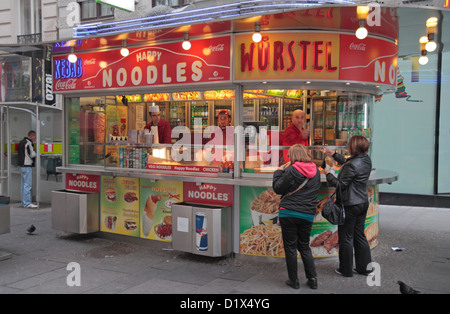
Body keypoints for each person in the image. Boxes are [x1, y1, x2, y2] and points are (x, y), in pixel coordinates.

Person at [272, 144, 320, 289]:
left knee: (291, 247)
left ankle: (294, 281)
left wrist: (278, 172)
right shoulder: (316, 171)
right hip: (307, 214)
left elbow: (277, 188)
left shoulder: (291, 170)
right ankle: (312, 279)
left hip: (289, 212)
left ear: (292, 156)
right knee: (304, 246)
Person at [324, 135, 373, 277]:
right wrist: (334, 155)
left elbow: (340, 185)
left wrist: (328, 174)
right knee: (359, 235)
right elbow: (349, 163)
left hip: (350, 205)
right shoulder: (366, 160)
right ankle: (365, 268)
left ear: (353, 147)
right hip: (362, 203)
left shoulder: (351, 165)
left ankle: (345, 269)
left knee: (346, 237)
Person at [18, 130, 38, 208]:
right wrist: (37, 153)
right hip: (27, 165)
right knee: (27, 185)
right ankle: (27, 203)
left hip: (22, 166)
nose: (35, 138)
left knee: (23, 185)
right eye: (35, 136)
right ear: (31, 136)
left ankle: (24, 202)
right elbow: (32, 154)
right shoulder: (28, 143)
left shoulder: (21, 142)